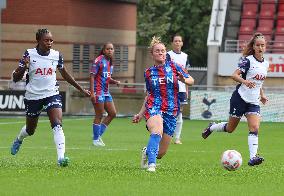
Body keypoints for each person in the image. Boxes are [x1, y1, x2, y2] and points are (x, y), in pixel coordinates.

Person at [10, 28, 90, 167]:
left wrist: (81, 89)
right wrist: (25, 67)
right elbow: (16, 78)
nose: (50, 42)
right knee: (30, 130)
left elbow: (65, 74)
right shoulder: (29, 54)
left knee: (57, 124)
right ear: (38, 40)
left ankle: (61, 158)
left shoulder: (56, 55)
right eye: (46, 40)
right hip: (33, 96)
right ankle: (19, 139)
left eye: (51, 40)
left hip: (51, 93)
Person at [202, 32, 269, 166]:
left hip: (253, 101)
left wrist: (262, 95)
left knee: (254, 128)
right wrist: (245, 82)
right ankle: (212, 127)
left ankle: (252, 157)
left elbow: (259, 82)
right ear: (254, 46)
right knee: (230, 128)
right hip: (240, 98)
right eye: (258, 45)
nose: (260, 48)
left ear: (265, 47)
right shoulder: (248, 60)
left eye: (263, 45)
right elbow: (234, 75)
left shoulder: (266, 64)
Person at [132, 36, 194, 172]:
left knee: (161, 153)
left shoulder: (174, 66)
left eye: (163, 51)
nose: (161, 53)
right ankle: (151, 165)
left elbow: (191, 80)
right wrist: (140, 114)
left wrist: (183, 79)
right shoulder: (148, 73)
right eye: (158, 51)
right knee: (157, 130)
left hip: (172, 110)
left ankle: (148, 151)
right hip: (154, 107)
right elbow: (148, 94)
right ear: (152, 54)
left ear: (166, 53)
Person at [90, 42, 120, 146]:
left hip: (106, 92)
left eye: (111, 49)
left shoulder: (110, 62)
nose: (110, 50)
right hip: (98, 91)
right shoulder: (98, 60)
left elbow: (107, 78)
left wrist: (114, 81)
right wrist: (92, 92)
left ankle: (97, 135)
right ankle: (95, 140)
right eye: (108, 49)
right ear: (103, 50)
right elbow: (92, 76)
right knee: (100, 114)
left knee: (112, 113)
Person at [167, 34, 190, 144]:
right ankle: (168, 135)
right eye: (175, 41)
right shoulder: (167, 55)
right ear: (172, 43)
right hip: (170, 88)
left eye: (179, 41)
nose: (177, 43)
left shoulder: (185, 56)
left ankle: (177, 138)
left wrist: (186, 90)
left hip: (181, 89)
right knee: (170, 112)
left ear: (182, 43)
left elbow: (186, 74)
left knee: (179, 114)